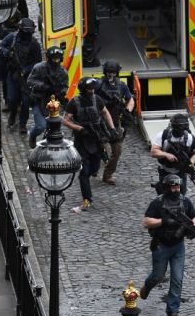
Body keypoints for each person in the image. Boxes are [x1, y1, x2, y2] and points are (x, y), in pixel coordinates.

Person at [140, 174, 195, 316]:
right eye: (173, 186)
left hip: (178, 246)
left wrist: (192, 226)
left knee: (177, 279)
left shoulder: (185, 201)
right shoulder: (157, 203)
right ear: (167, 187)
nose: (176, 189)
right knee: (157, 276)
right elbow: (146, 221)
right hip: (161, 245)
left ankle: (173, 310)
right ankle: (147, 286)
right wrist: (164, 221)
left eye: (178, 186)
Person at [62, 78, 118, 210]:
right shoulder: (74, 102)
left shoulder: (97, 99)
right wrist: (79, 129)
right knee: (84, 172)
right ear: (83, 90)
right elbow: (65, 120)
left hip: (96, 139)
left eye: (93, 89)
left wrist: (112, 128)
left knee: (94, 168)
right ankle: (87, 199)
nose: (92, 91)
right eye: (89, 89)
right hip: (82, 141)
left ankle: (92, 173)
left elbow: (105, 112)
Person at [95, 59, 134, 185]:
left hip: (115, 121)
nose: (110, 75)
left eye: (113, 72)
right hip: (99, 122)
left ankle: (108, 174)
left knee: (117, 150)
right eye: (108, 72)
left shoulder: (121, 85)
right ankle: (93, 168)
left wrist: (127, 110)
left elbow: (130, 99)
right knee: (97, 148)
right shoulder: (98, 84)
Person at [0, 17, 40, 133]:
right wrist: (7, 53)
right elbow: (1, 46)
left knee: (26, 101)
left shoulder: (34, 44)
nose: (27, 35)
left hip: (27, 78)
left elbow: (37, 62)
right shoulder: (12, 38)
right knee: (12, 99)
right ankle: (13, 113)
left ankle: (23, 124)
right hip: (12, 74)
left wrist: (26, 70)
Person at [150, 113, 195, 194]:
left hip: (180, 172)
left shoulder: (189, 138)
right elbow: (153, 152)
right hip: (165, 170)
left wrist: (191, 162)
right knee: (164, 194)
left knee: (181, 195)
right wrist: (166, 155)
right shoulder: (163, 135)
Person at [27, 46, 68, 148]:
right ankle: (32, 135)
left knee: (52, 128)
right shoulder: (39, 67)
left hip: (53, 103)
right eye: (54, 58)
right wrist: (43, 86)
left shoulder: (63, 72)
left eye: (58, 59)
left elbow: (65, 86)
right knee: (41, 126)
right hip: (39, 99)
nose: (56, 61)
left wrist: (61, 93)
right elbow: (30, 81)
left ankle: (44, 145)